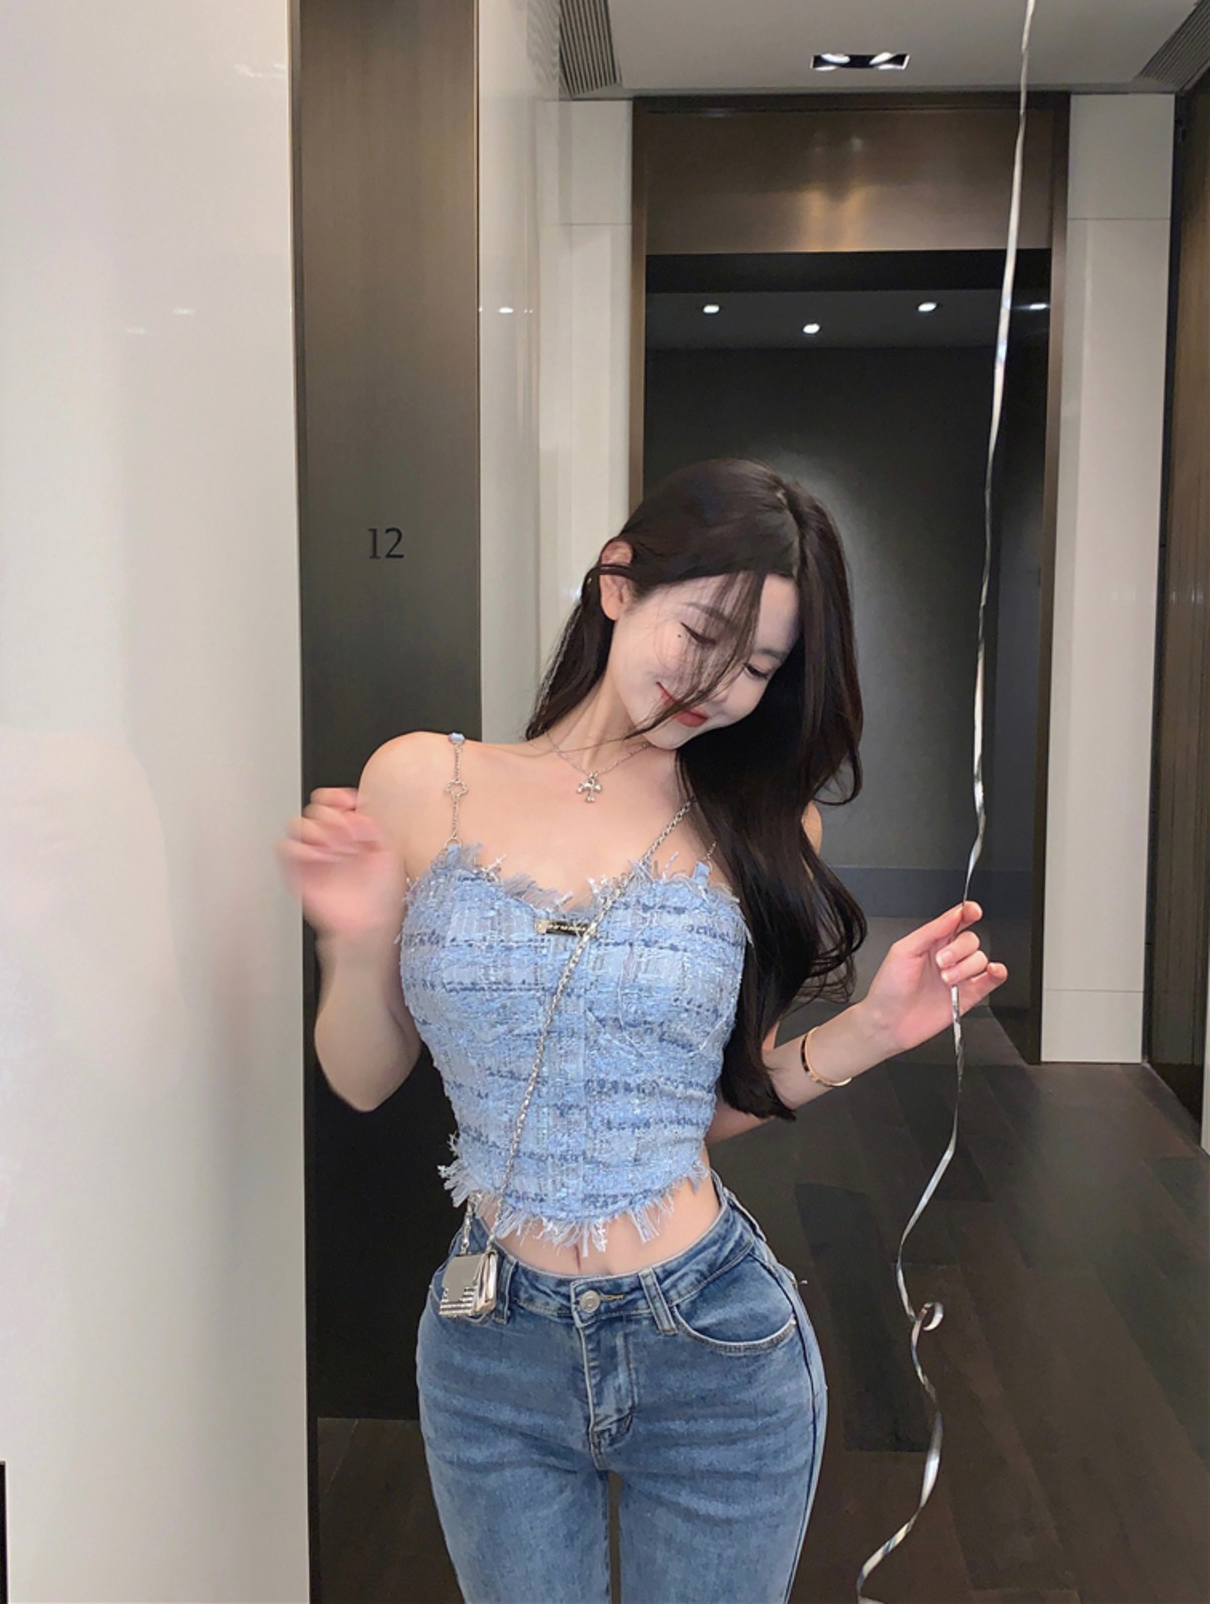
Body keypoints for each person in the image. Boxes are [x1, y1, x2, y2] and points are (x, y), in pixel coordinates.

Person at [276, 458, 1007, 1604]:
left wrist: (870, 1027)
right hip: (491, 1347)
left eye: (757, 665)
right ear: (617, 581)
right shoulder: (422, 781)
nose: (716, 684)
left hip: (712, 1340)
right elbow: (362, 1079)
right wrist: (356, 939)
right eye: (702, 633)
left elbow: (703, 1110)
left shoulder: (763, 826)